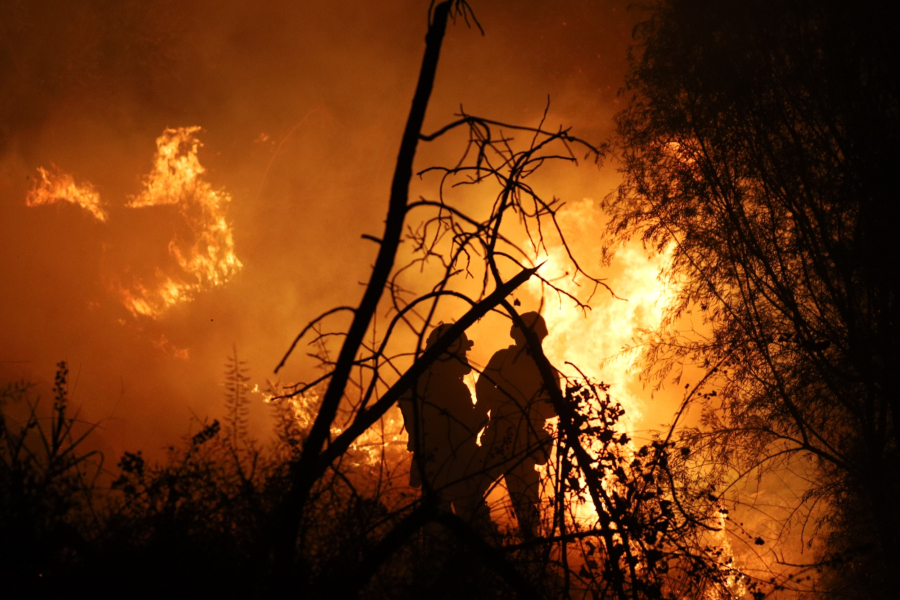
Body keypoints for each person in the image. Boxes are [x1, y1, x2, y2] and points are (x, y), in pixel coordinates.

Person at [475, 312, 559, 539]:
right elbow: (483, 389)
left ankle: (512, 544)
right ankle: (485, 538)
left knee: (522, 506)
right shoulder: (510, 360)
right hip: (506, 438)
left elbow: (554, 407)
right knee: (472, 489)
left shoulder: (543, 369)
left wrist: (519, 405)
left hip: (519, 441)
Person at [398, 324, 487, 521]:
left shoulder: (419, 383)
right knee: (473, 521)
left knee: (436, 521)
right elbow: (462, 429)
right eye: (462, 352)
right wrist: (480, 417)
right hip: (457, 464)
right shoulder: (450, 387)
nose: (465, 357)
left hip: (432, 463)